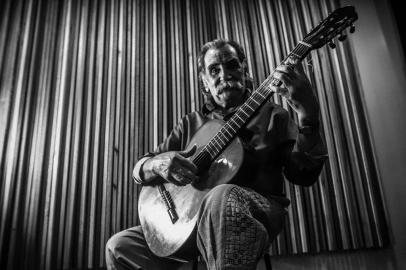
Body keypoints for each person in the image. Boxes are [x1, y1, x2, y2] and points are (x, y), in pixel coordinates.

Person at [105, 39, 327, 270]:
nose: (225, 74)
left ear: (244, 70)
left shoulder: (274, 115)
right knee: (120, 247)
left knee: (221, 196)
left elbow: (304, 174)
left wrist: (308, 117)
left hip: (253, 211)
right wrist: (156, 164)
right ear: (204, 82)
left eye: (232, 66)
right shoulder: (191, 124)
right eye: (214, 70)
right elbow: (140, 170)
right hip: (185, 221)